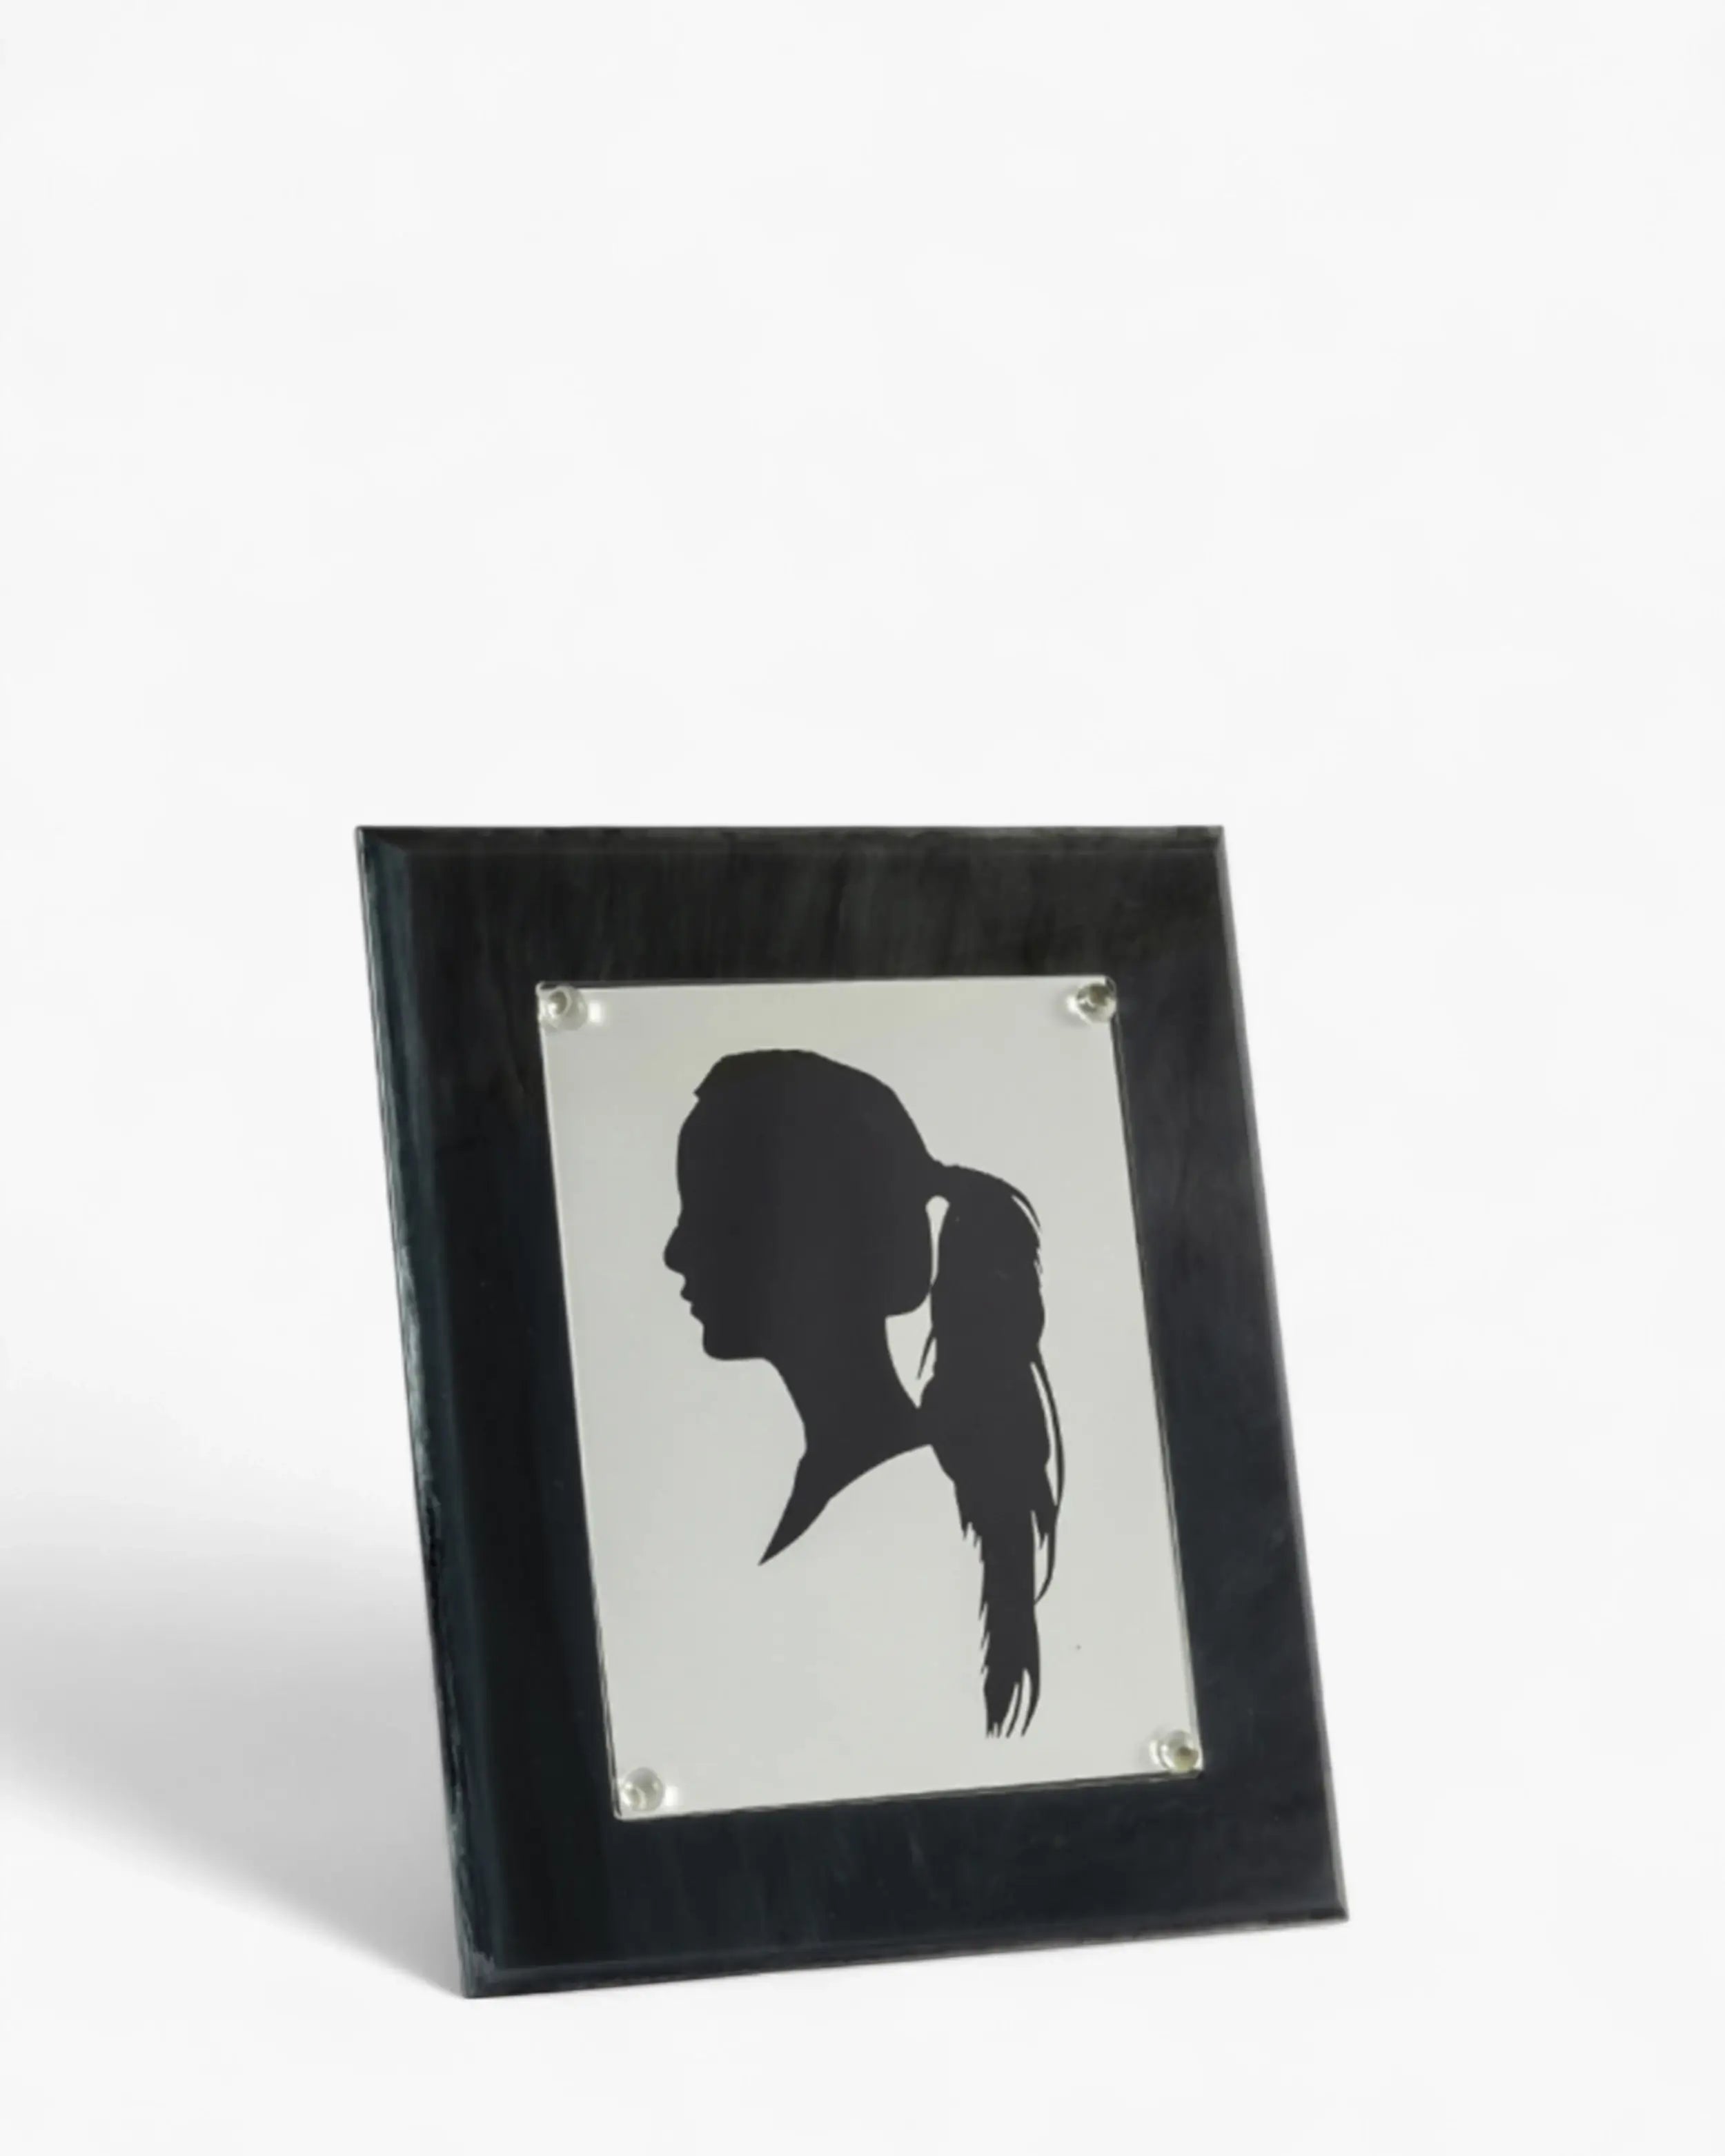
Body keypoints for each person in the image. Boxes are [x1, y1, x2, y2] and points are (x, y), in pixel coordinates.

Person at [664, 1049, 1063, 1735]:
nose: (675, 1250)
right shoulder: (845, 1484)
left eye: (710, 1213)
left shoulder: (910, 1518)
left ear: (811, 1242)